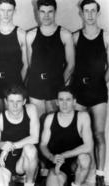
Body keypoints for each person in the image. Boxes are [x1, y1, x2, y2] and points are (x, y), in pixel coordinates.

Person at [71, 0, 109, 185]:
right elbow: (70, 65)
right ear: (82, 13)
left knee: (99, 134)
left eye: (93, 11)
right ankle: (81, 173)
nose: (90, 15)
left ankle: (100, 175)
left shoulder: (106, 36)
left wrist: (101, 81)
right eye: (86, 11)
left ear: (97, 13)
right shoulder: (75, 37)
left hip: (98, 92)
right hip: (79, 92)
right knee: (78, 135)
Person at [26, 0, 75, 117]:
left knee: (53, 126)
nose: (46, 16)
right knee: (38, 125)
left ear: (55, 12)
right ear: (37, 12)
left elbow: (71, 65)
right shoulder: (31, 35)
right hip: (35, 87)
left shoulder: (65, 35)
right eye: (42, 12)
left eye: (50, 12)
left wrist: (59, 84)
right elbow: (30, 64)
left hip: (55, 87)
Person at [40, 86, 93, 186]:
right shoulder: (50, 118)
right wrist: (52, 157)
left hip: (74, 163)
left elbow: (88, 146)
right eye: (61, 100)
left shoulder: (83, 117)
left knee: (85, 158)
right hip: (56, 162)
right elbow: (43, 145)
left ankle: (76, 184)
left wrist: (64, 155)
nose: (64, 104)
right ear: (57, 102)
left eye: (68, 100)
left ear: (74, 102)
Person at [0, 0, 28, 112]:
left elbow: (26, 65)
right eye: (2, 10)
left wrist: (17, 84)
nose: (5, 14)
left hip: (13, 85)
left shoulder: (21, 34)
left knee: (11, 121)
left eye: (9, 10)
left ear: (14, 11)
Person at [0, 85, 39, 186]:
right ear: (6, 102)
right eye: (11, 101)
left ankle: (29, 182)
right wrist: (1, 144)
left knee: (30, 148)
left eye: (18, 101)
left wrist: (12, 146)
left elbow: (35, 138)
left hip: (25, 160)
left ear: (24, 102)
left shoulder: (31, 110)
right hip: (6, 161)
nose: (15, 105)